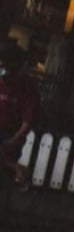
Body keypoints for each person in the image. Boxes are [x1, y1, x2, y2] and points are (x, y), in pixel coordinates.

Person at [0, 40, 39, 193]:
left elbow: (28, 120)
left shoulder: (27, 86)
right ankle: (17, 168)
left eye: (5, 64)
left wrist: (15, 139)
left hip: (11, 133)